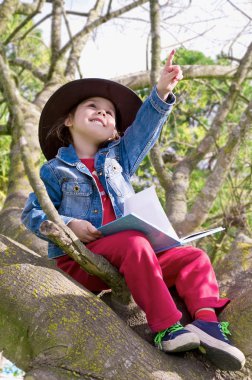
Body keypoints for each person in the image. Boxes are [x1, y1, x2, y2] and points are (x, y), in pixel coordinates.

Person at [21, 50, 245, 371]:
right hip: (79, 259)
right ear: (69, 120)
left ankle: (207, 323)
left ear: (114, 132)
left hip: (133, 258)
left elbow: (143, 132)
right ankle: (167, 328)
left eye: (109, 112)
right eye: (92, 107)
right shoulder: (56, 170)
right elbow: (33, 213)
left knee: (192, 256)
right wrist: (71, 225)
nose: (102, 113)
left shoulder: (118, 162)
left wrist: (162, 92)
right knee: (132, 242)